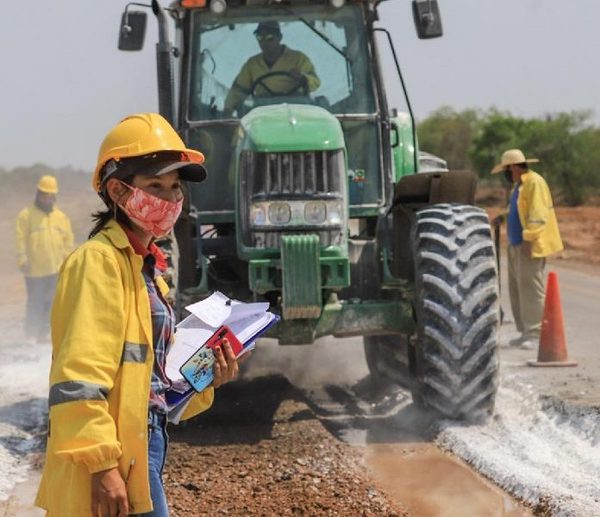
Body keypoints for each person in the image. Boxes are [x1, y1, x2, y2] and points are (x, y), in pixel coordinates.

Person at [34, 113, 241, 516]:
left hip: (142, 443)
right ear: (117, 190)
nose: (169, 199)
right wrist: (101, 467)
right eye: (155, 186)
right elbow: (78, 376)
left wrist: (208, 377)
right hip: (116, 454)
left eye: (175, 187)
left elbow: (155, 383)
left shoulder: (148, 271)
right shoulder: (98, 262)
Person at [491, 149, 563, 349]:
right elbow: (518, 209)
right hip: (516, 244)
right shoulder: (520, 185)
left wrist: (529, 239)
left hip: (529, 245)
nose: (506, 174)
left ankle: (536, 333)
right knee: (518, 289)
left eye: (506, 170)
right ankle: (525, 331)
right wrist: (503, 217)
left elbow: (538, 215)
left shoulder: (534, 182)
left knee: (531, 289)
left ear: (513, 167)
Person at [15, 174, 74, 344]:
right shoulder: (26, 216)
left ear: (54, 196)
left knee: (52, 303)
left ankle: (44, 334)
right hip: (34, 270)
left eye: (50, 195)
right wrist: (22, 260)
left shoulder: (61, 217)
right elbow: (20, 239)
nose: (47, 198)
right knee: (35, 301)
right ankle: (31, 334)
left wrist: (67, 262)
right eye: (44, 195)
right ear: (38, 194)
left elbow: (68, 241)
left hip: (56, 268)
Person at [223, 21, 320, 116]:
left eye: (269, 37)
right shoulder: (252, 64)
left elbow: (315, 82)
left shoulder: (298, 59)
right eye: (260, 37)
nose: (264, 42)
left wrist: (303, 78)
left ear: (279, 37)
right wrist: (228, 110)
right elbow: (238, 90)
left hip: (296, 110)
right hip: (262, 113)